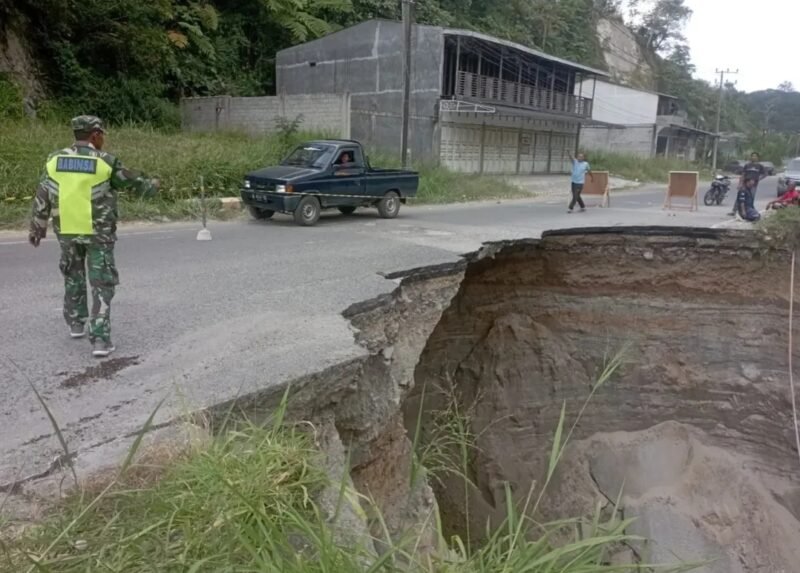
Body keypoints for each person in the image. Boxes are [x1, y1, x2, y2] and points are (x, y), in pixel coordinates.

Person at [29, 115, 159, 358]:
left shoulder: (55, 160)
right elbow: (134, 182)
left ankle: (76, 323)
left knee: (72, 275)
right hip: (98, 233)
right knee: (101, 283)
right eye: (102, 135)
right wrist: (153, 185)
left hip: (67, 231)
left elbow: (42, 195)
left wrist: (37, 227)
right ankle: (100, 338)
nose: (103, 140)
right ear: (95, 135)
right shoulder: (105, 162)